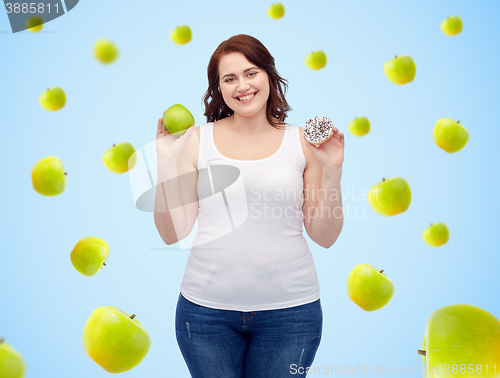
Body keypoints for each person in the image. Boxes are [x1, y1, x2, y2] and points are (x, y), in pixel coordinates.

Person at [154, 34, 344, 378]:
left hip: (292, 315)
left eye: (251, 72)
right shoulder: (196, 140)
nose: (242, 85)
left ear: (269, 75)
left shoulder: (302, 141)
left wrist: (331, 173)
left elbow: (325, 236)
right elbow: (172, 233)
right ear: (219, 89)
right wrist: (166, 163)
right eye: (230, 78)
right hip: (204, 314)